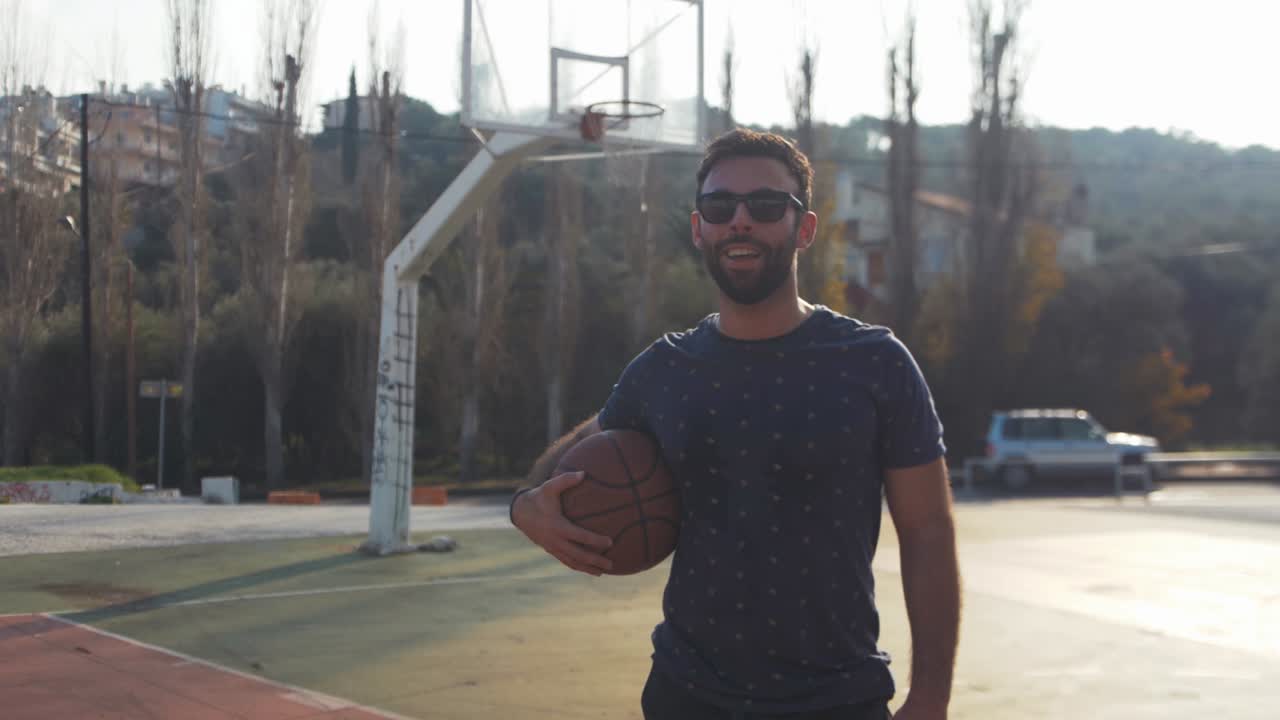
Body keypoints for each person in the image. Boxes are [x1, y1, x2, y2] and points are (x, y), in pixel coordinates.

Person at [510, 128, 960, 720]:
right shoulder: (665, 369)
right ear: (700, 229)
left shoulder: (875, 362)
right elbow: (567, 467)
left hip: (838, 700)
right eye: (720, 207)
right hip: (686, 696)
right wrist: (526, 508)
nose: (740, 221)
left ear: (804, 229)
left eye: (766, 205)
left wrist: (930, 696)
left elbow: (927, 531)